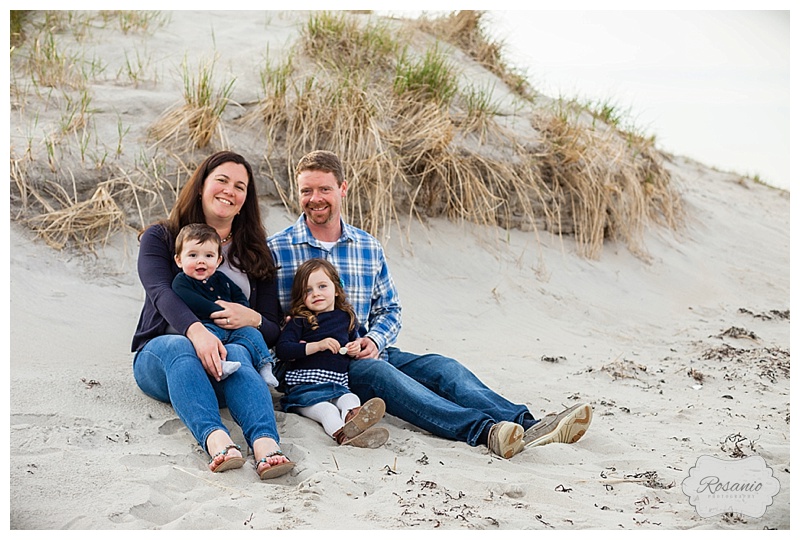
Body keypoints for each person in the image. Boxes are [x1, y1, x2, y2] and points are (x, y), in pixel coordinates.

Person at [268, 150, 593, 459]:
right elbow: (268, 321)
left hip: (367, 348)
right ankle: (485, 431)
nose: (315, 199)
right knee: (381, 373)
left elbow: (390, 310)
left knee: (443, 368)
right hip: (317, 369)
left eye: (324, 189)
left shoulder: (367, 246)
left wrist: (374, 340)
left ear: (342, 188)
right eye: (306, 191)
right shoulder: (278, 249)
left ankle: (529, 425)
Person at [132, 150, 294, 480]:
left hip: (226, 368)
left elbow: (272, 327)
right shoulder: (162, 238)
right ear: (202, 185)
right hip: (164, 359)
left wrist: (252, 319)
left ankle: (266, 446)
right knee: (180, 348)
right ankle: (218, 441)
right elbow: (162, 293)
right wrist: (197, 332)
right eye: (221, 180)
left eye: (240, 186)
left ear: (246, 198)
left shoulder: (255, 252)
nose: (229, 191)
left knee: (237, 351)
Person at [275, 258, 389, 449]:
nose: (316, 293)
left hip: (337, 385)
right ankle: (344, 436)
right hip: (304, 389)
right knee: (328, 411)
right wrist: (317, 345)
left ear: (336, 289)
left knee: (351, 399)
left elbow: (356, 343)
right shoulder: (300, 321)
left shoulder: (346, 318)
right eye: (308, 291)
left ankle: (355, 421)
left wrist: (354, 348)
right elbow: (283, 349)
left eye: (322, 286)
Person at [171, 222, 279, 386]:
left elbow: (238, 294)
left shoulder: (221, 279)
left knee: (253, 335)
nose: (201, 261)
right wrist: (222, 310)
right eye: (193, 255)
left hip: (233, 326)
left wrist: (242, 310)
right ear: (179, 260)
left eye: (208, 256)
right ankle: (220, 363)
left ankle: (265, 366)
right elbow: (193, 301)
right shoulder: (181, 282)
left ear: (218, 260)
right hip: (207, 325)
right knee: (209, 339)